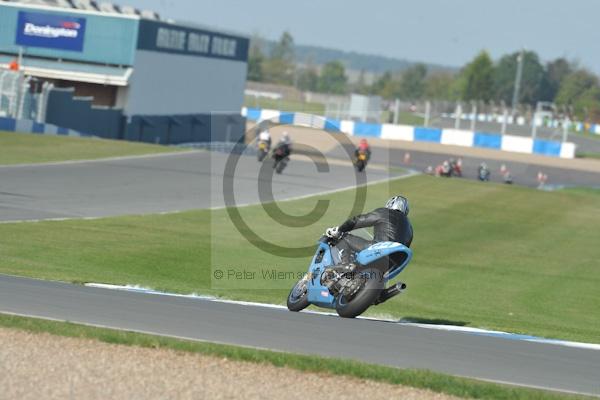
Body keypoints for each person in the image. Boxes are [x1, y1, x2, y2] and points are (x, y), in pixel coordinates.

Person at [325, 196, 413, 265]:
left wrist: (340, 229)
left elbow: (358, 221)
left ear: (390, 204)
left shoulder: (384, 212)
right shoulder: (410, 228)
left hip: (378, 250)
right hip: (396, 261)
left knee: (341, 237)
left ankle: (346, 268)